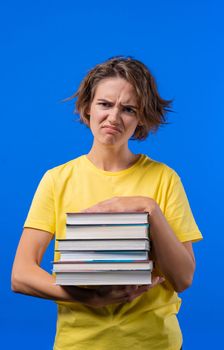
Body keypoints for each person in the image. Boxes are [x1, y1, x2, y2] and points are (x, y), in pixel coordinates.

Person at [11, 56, 203, 350]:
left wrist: (149, 208)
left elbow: (183, 278)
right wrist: (90, 298)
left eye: (128, 109)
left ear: (141, 119)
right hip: (79, 343)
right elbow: (21, 274)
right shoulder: (56, 179)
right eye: (105, 104)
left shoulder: (165, 179)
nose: (114, 117)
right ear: (87, 107)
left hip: (154, 342)